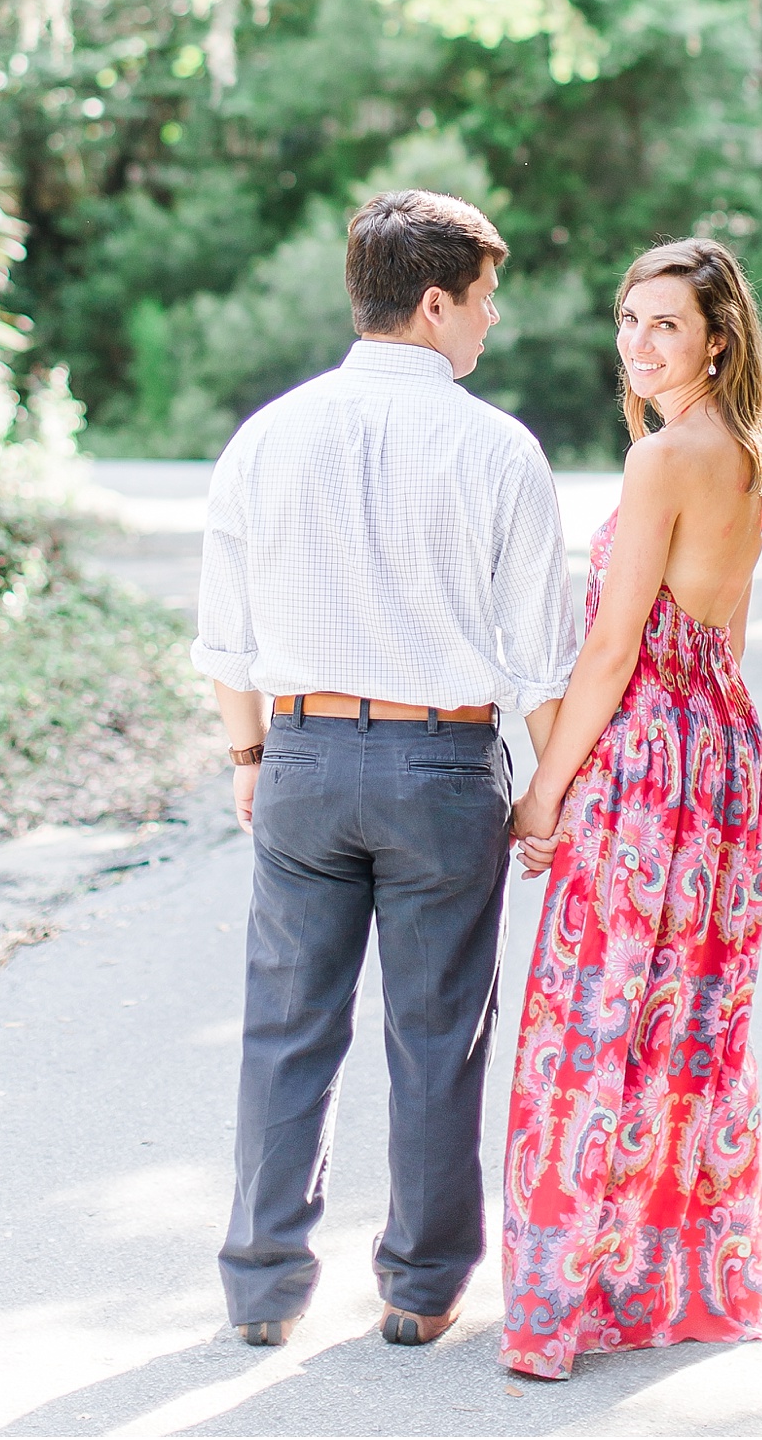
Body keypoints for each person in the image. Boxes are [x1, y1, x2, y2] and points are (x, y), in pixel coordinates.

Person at [192, 188, 578, 1354]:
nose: (490, 324)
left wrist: (251, 755)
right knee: (437, 1033)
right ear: (433, 301)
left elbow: (225, 631)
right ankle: (419, 1285)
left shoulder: (266, 435)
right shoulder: (499, 448)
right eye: (484, 301)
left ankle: (263, 1285)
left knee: (286, 1028)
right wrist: (548, 789)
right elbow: (540, 657)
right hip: (443, 765)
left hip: (304, 751)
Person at [502, 236, 762, 1381]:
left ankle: (570, 1295)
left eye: (666, 323)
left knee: (599, 1015)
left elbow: (615, 647)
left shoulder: (664, 459)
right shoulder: (756, 451)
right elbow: (730, 632)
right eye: (628, 318)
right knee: (689, 1021)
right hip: (722, 754)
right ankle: (661, 1276)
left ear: (719, 339)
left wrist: (544, 791)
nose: (639, 341)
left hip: (652, 760)